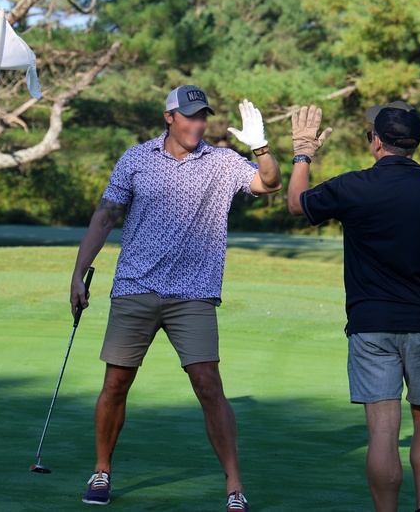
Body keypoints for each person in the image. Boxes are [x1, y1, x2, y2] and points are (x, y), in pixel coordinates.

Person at [71, 85, 282, 512]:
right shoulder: (136, 159)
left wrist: (260, 145)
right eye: (189, 116)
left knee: (209, 385)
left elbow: (270, 183)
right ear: (169, 117)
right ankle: (102, 470)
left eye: (203, 116)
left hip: (194, 293)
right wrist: (78, 273)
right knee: (116, 383)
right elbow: (105, 217)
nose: (197, 123)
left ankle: (235, 486)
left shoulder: (222, 162)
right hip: (136, 286)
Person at [286, 101, 420, 512]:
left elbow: (297, 203)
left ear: (376, 142)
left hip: (370, 326)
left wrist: (303, 154)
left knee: (383, 432)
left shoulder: (352, 186)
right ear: (412, 145)